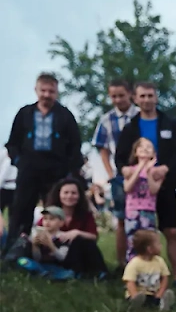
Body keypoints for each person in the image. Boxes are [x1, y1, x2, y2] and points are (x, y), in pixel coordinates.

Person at [115, 82, 176, 290]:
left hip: (165, 184)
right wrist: (126, 170)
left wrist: (166, 168)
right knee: (137, 234)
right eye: (142, 96)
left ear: (156, 97)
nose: (146, 100)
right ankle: (133, 276)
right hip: (138, 191)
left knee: (171, 231)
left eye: (150, 96)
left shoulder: (170, 124)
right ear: (135, 99)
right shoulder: (130, 127)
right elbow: (120, 159)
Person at [6, 73, 85, 239]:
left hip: (55, 169)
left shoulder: (65, 115)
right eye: (43, 91)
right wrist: (19, 161)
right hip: (28, 167)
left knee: (54, 211)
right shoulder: (25, 113)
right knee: (21, 209)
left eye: (51, 91)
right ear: (36, 90)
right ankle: (15, 249)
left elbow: (75, 145)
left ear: (56, 92)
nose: (47, 95)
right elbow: (13, 143)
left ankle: (53, 249)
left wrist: (69, 171)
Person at [93, 79, 138, 265]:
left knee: (140, 219)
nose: (118, 100)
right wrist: (110, 173)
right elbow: (102, 148)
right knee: (121, 219)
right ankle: (122, 263)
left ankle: (143, 260)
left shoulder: (140, 115)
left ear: (129, 94)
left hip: (140, 172)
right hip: (119, 175)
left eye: (121, 95)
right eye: (114, 96)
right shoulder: (106, 119)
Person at [37, 177, 107, 277]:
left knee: (81, 241)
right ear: (59, 194)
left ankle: (99, 272)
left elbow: (94, 237)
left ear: (79, 195)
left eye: (73, 193)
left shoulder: (85, 215)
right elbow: (39, 229)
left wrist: (77, 232)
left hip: (76, 254)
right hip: (52, 253)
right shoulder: (50, 213)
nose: (69, 196)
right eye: (66, 192)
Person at [122, 138, 168, 262]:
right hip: (132, 211)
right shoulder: (129, 170)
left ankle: (150, 270)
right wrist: (140, 168)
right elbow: (128, 187)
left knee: (149, 242)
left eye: (149, 147)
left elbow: (153, 190)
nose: (145, 149)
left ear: (154, 153)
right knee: (132, 241)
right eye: (141, 147)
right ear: (135, 152)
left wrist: (148, 172)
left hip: (148, 211)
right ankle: (131, 272)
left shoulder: (157, 172)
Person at [123, 229, 175, 310]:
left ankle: (163, 303)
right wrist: (134, 295)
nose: (161, 246)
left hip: (154, 294)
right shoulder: (134, 264)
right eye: (158, 244)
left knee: (157, 299)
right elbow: (130, 283)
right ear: (149, 249)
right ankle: (136, 303)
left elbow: (165, 278)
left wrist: (159, 294)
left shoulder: (159, 261)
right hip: (140, 294)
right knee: (141, 299)